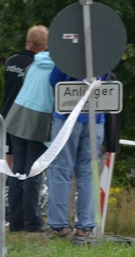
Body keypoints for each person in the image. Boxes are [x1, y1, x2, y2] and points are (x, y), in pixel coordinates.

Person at [45, 66, 106, 239]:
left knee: (60, 170)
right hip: (96, 118)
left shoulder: (68, 53)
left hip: (67, 117)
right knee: (89, 172)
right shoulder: (103, 51)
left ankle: (59, 226)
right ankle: (85, 227)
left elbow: (54, 81)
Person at [0, 25, 48, 226]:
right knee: (32, 171)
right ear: (46, 45)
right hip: (33, 119)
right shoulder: (38, 66)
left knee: (16, 169)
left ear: (27, 41)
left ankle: (15, 219)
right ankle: (31, 221)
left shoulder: (11, 62)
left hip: (10, 117)